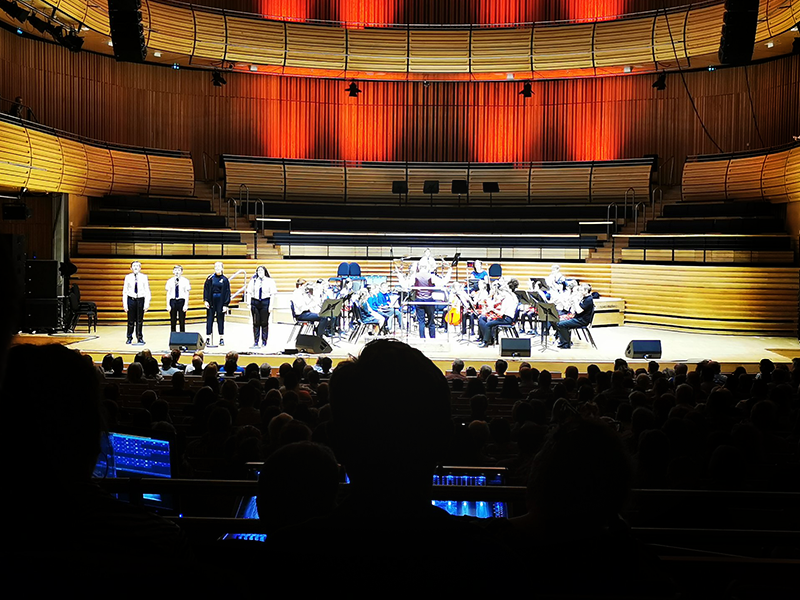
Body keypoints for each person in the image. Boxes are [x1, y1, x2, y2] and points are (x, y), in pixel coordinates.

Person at [410, 252, 451, 340]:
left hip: (419, 300)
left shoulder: (415, 276)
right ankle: (432, 338)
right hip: (429, 300)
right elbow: (443, 282)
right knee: (431, 321)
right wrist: (449, 271)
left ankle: (422, 338)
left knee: (421, 321)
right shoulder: (431, 276)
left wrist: (399, 274)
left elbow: (406, 285)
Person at [478, 279, 518, 348]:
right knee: (487, 320)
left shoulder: (507, 299)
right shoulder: (513, 296)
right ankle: (487, 339)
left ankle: (486, 342)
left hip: (507, 319)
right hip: (510, 318)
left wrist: (492, 309)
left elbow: (501, 313)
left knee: (488, 324)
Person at [554, 283, 595, 349]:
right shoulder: (584, 298)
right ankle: (565, 341)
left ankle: (565, 344)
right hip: (578, 318)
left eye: (581, 290)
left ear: (586, 291)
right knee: (559, 321)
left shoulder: (588, 300)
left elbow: (579, 311)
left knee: (560, 324)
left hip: (581, 321)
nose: (580, 292)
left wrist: (575, 301)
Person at [247, 266, 277, 347]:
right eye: (258, 270)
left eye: (261, 270)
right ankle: (256, 341)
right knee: (256, 323)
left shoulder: (270, 281)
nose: (260, 272)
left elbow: (272, 294)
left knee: (264, 323)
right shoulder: (253, 281)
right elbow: (249, 292)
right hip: (255, 302)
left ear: (265, 271)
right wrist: (248, 303)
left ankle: (264, 341)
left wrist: (271, 305)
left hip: (265, 302)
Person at [122, 261, 150, 344]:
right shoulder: (128, 277)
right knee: (130, 320)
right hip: (131, 299)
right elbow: (125, 291)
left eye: (137, 266)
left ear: (140, 268)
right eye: (134, 266)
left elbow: (147, 290)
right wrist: (125, 304)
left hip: (140, 299)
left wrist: (146, 303)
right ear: (131, 268)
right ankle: (129, 337)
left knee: (139, 320)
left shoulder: (144, 277)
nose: (136, 267)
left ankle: (139, 337)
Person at [203, 261, 230, 346]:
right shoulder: (210, 278)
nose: (217, 268)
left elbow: (227, 292)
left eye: (219, 267)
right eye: (216, 267)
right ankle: (208, 338)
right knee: (209, 319)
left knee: (220, 320)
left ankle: (221, 338)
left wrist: (225, 304)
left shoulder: (225, 280)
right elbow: (206, 290)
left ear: (222, 268)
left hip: (220, 302)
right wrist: (206, 300)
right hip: (211, 301)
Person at [165, 265, 190, 333]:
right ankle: (173, 335)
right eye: (175, 270)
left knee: (182, 320)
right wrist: (168, 305)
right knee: (173, 320)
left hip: (181, 301)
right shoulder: (169, 281)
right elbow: (168, 293)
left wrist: (186, 305)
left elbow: (187, 293)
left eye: (179, 270)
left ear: (181, 272)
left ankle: (182, 336)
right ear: (173, 271)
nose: (177, 272)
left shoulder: (185, 281)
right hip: (173, 301)